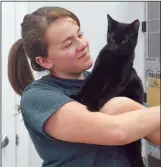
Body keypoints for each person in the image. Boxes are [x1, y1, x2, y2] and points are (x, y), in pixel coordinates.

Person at [8, 6, 160, 167]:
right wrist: (124, 106)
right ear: (45, 61)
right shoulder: (37, 96)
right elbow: (118, 131)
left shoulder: (104, 78)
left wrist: (127, 108)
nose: (82, 44)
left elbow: (155, 132)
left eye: (80, 34)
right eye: (68, 44)